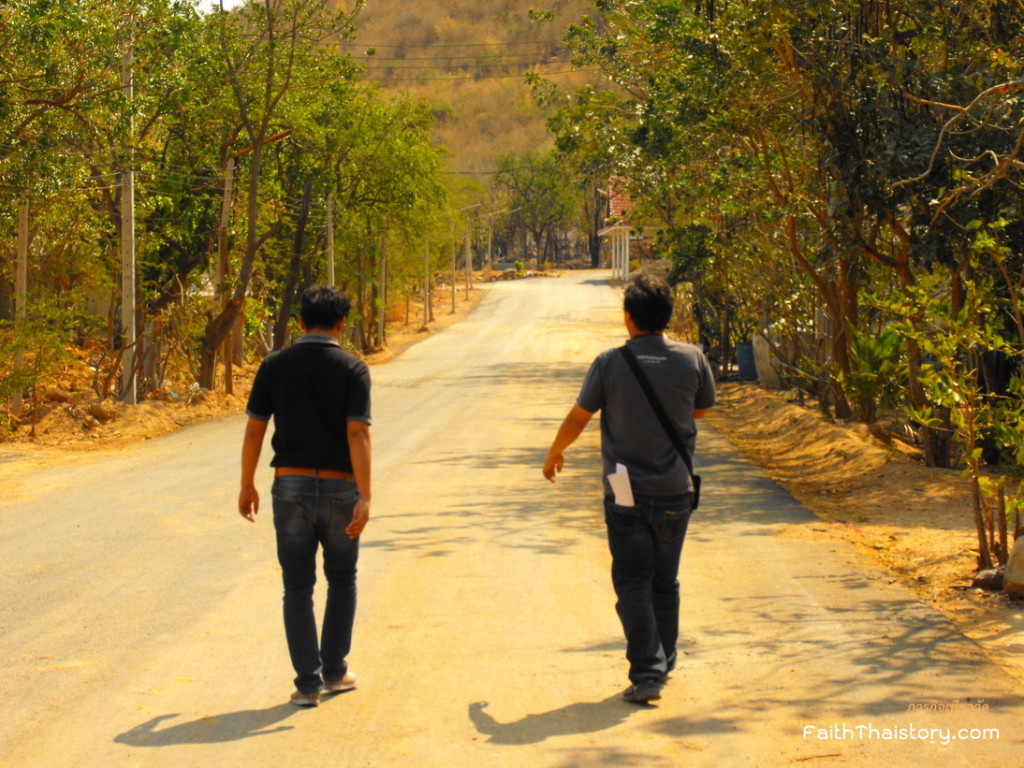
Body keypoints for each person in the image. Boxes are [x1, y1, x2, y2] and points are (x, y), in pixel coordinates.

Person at [543, 273, 715, 704]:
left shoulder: (610, 362)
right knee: (665, 579)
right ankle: (665, 657)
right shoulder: (693, 358)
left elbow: (580, 416)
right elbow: (702, 409)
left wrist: (554, 452)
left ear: (628, 318)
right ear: (667, 316)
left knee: (633, 580)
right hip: (676, 488)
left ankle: (648, 672)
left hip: (624, 491)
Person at [239, 285, 372, 708]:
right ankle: (335, 671)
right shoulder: (353, 369)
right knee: (342, 578)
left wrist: (247, 483)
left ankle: (308, 685)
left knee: (297, 587)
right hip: (340, 487)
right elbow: (357, 432)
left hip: (290, 486)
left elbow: (256, 428)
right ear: (341, 324)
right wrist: (365, 495)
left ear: (299, 322)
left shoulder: (274, 365)